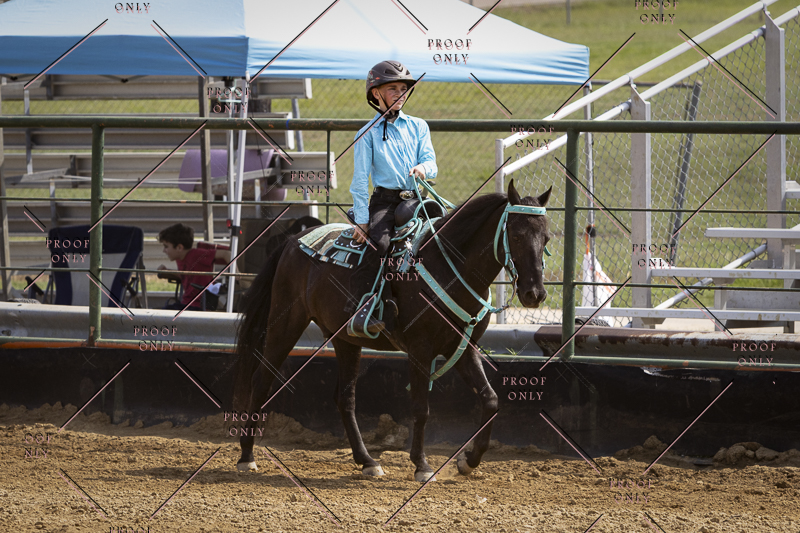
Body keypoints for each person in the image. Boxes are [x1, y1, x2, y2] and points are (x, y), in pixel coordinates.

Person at [347, 60, 438, 337]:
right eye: (392, 89)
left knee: (445, 235)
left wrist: (423, 168)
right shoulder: (366, 134)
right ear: (376, 93)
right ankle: (367, 306)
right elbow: (360, 181)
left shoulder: (419, 126)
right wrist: (362, 220)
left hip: (417, 199)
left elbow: (431, 162)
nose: (400, 94)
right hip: (385, 203)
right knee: (380, 244)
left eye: (403, 89)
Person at [157, 223, 230, 311]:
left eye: (166, 247)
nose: (164, 250)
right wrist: (167, 271)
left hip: (200, 305)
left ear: (179, 248)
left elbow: (226, 253)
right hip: (187, 304)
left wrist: (237, 274)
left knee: (164, 313)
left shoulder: (197, 255)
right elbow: (187, 276)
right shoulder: (180, 258)